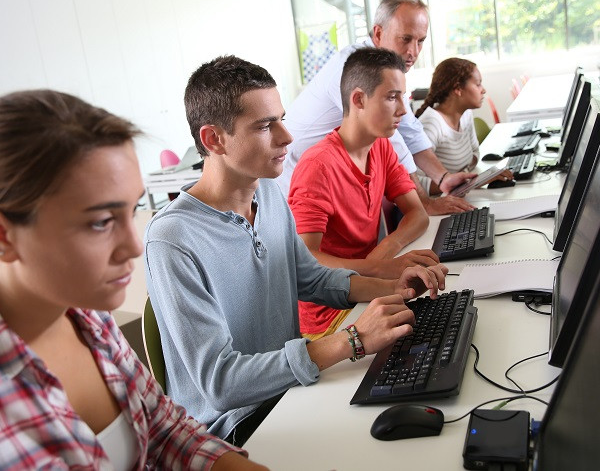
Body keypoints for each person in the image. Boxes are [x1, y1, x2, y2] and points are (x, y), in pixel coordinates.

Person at [0, 90, 263, 470]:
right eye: (101, 222)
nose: (133, 247)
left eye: (132, 209)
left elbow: (164, 431)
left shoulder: (88, 316)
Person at [144, 55, 448, 446]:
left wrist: (392, 286)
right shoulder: (173, 239)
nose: (286, 137)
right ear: (213, 139)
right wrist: (351, 340)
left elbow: (310, 277)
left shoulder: (268, 192)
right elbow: (220, 384)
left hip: (289, 390)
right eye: (265, 126)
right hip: (234, 429)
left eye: (281, 118)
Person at [277, 0, 478, 214]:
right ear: (378, 32)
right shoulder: (353, 70)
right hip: (293, 179)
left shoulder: (387, 69)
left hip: (331, 172)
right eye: (406, 39)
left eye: (420, 41)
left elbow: (410, 130)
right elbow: (394, 143)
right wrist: (426, 203)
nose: (413, 52)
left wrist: (443, 178)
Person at [289, 47, 441, 338]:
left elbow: (417, 214)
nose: (403, 110)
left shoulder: (381, 146)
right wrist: (380, 267)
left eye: (403, 97)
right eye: (391, 97)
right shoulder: (318, 166)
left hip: (370, 291)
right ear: (358, 99)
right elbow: (306, 259)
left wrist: (384, 255)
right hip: (330, 318)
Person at [414, 57, 511, 194]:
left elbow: (474, 153)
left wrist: (475, 180)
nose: (483, 90)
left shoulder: (465, 115)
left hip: (459, 195)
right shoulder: (431, 124)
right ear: (458, 89)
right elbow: (414, 182)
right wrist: (470, 182)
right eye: (478, 84)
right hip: (437, 204)